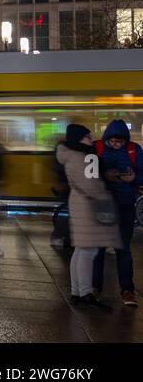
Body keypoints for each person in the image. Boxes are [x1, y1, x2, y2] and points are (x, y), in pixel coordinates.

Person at [58, 123, 120, 309]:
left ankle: (77, 292)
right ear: (79, 139)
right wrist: (106, 193)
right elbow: (92, 185)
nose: (91, 139)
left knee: (81, 250)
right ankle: (85, 292)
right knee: (88, 251)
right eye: (87, 136)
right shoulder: (86, 157)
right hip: (90, 207)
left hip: (79, 203)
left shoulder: (70, 155)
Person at [91, 119, 141, 308]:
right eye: (113, 141)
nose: (117, 144)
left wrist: (134, 178)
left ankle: (127, 290)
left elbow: (142, 173)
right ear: (107, 138)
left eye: (120, 142)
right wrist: (105, 176)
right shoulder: (97, 149)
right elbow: (88, 175)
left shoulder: (133, 150)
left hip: (125, 205)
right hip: (102, 204)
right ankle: (95, 287)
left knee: (124, 249)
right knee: (99, 248)